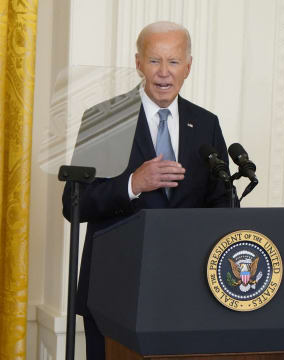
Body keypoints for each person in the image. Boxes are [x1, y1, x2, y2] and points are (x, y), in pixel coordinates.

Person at [62, 21, 232, 360]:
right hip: (114, 290)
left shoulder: (206, 124)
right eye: (155, 61)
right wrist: (131, 185)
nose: (164, 73)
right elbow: (74, 204)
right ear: (138, 63)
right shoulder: (106, 119)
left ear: (188, 66)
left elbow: (222, 205)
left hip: (186, 292)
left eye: (173, 62)